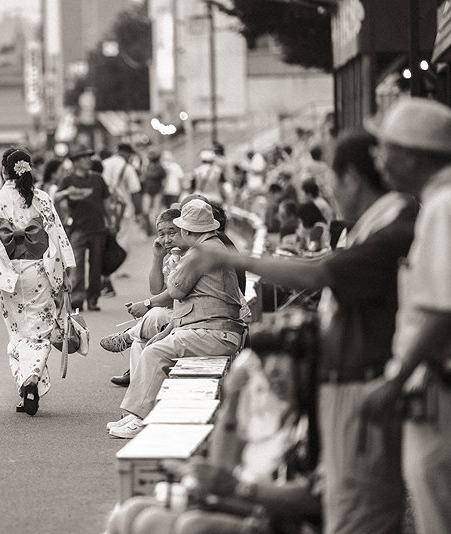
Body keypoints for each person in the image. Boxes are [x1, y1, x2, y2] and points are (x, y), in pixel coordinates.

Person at [190, 131, 416, 534]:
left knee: (358, 509)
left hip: (366, 388)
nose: (330, 190)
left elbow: (319, 273)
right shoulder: (376, 226)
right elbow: (324, 264)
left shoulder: (394, 229)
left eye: (331, 178)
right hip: (353, 388)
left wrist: (232, 259)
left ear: (352, 178)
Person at [108, 311, 322, 534]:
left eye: (282, 369)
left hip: (280, 520)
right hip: (247, 505)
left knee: (189, 526)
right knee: (129, 512)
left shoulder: (318, 423)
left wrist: (237, 489)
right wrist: (232, 401)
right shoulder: (270, 412)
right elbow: (223, 465)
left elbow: (313, 499)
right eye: (267, 366)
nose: (272, 374)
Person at [361, 97, 451, 534]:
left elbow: (441, 310)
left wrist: (396, 382)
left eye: (387, 148)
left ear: (414, 156)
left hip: (439, 390)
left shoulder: (443, 207)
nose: (379, 160)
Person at [107, 200, 244, 439]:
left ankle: (140, 418)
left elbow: (176, 289)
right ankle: (136, 413)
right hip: (212, 331)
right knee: (152, 347)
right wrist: (165, 331)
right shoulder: (212, 246)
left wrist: (175, 267)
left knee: (153, 353)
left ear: (188, 231)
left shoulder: (199, 253)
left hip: (214, 334)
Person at [0, 148, 75, 416]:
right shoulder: (42, 198)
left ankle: (26, 384)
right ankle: (32, 377)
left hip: (8, 273)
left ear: (4, 171)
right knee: (40, 331)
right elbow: (56, 237)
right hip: (39, 271)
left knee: (18, 333)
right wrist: (64, 275)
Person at [102, 209, 182, 388]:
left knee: (155, 315)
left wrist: (147, 304)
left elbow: (176, 293)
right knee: (141, 342)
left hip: (195, 322)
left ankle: (128, 336)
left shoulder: (191, 255)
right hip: (179, 316)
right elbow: (156, 289)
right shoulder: (172, 256)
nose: (167, 239)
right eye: (161, 234)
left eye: (172, 233)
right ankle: (138, 390)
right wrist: (157, 257)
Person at [56, 144, 110, 311]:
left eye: (89, 157)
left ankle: (93, 298)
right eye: (84, 157)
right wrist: (67, 192)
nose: (88, 160)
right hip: (78, 228)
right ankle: (77, 298)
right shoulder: (68, 180)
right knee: (76, 265)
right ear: (75, 162)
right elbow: (55, 197)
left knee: (96, 266)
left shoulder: (98, 179)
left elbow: (106, 201)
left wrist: (111, 221)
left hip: (98, 227)